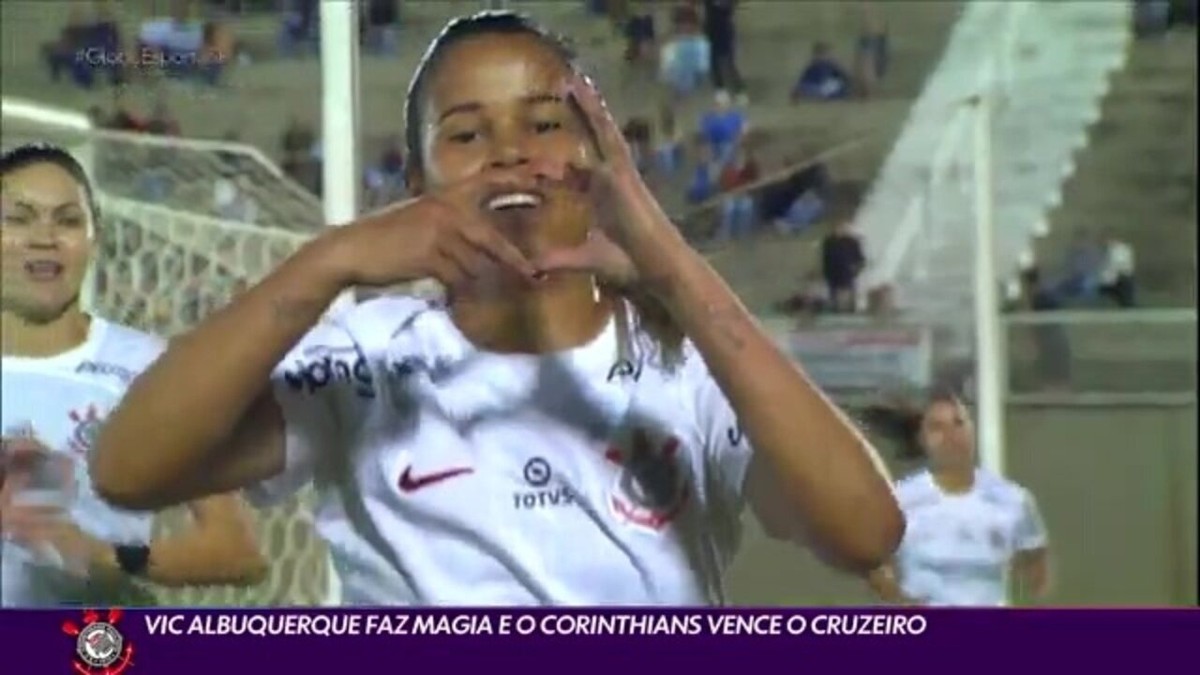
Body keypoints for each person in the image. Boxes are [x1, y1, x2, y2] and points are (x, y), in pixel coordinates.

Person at [92, 11, 903, 606]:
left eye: (545, 124)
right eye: (468, 135)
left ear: (599, 159)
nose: (512, 152)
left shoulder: (688, 362)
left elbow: (866, 531)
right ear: (418, 184)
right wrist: (327, 260)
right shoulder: (365, 360)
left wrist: (670, 267)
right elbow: (128, 469)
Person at [0, 143, 267, 607]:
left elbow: (238, 551)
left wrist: (100, 554)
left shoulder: (143, 366)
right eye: (18, 218)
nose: (44, 236)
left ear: (94, 239)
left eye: (67, 220)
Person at [863, 393, 1051, 607]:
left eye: (958, 423)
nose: (951, 436)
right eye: (937, 427)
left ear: (972, 430)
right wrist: (901, 601)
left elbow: (1037, 561)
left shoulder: (1013, 500)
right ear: (922, 439)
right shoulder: (900, 499)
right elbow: (873, 564)